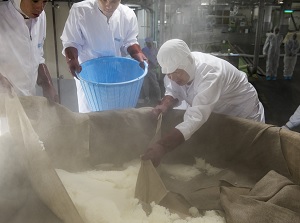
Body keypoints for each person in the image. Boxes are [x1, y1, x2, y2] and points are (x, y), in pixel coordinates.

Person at [142, 39, 265, 167]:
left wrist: (162, 146)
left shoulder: (210, 74)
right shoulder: (176, 73)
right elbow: (173, 91)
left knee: (249, 149)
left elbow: (195, 117)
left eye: (176, 72)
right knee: (224, 146)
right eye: (169, 74)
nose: (173, 78)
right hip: (216, 108)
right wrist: (165, 104)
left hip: (240, 108)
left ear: (187, 63)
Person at [61, 0, 147, 113]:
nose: (108, 5)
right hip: (89, 79)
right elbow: (72, 41)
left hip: (115, 77)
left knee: (115, 115)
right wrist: (72, 59)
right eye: (103, 0)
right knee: (90, 117)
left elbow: (130, 40)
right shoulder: (80, 11)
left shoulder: (127, 15)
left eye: (113, 1)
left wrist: (137, 53)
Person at [0, 0, 58, 102]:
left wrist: (47, 83)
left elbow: (38, 54)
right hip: (4, 102)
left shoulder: (41, 17)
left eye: (44, 2)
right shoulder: (2, 17)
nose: (40, 8)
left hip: (29, 98)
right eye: (35, 1)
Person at [140, 37, 162, 104]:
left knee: (155, 84)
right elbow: (141, 59)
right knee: (145, 84)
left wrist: (156, 64)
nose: (148, 44)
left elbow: (158, 59)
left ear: (152, 43)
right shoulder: (143, 50)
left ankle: (159, 97)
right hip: (145, 69)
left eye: (149, 43)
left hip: (152, 69)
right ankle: (147, 98)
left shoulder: (155, 50)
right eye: (147, 43)